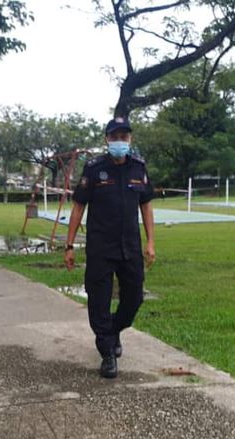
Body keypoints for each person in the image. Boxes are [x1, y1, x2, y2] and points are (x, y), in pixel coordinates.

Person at [64, 116, 155, 378]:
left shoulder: (139, 167)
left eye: (124, 137)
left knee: (134, 298)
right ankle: (107, 353)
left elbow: (146, 206)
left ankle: (113, 330)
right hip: (100, 249)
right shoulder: (94, 168)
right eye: (115, 137)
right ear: (107, 139)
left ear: (130, 139)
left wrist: (150, 242)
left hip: (130, 248)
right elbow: (78, 206)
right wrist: (69, 245)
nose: (119, 141)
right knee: (99, 302)